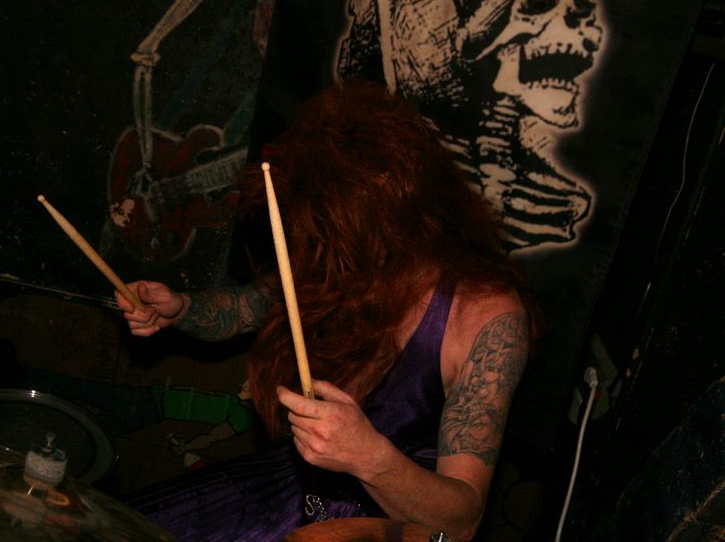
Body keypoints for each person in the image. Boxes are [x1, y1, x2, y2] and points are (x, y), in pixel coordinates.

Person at [116, 80, 536, 541]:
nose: (322, 249)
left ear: (403, 212)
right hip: (288, 487)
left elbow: (460, 522)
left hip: (384, 529)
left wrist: (370, 457)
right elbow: (245, 307)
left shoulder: (487, 317)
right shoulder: (345, 260)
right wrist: (181, 309)